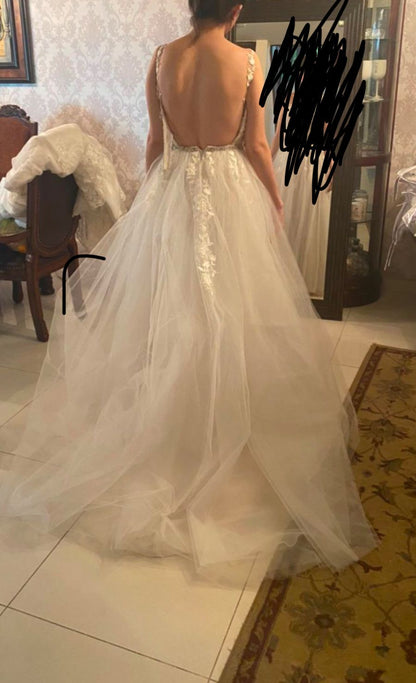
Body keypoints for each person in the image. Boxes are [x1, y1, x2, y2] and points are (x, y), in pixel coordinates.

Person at [0, 0, 380, 585]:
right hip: (228, 190)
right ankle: (221, 424)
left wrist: (150, 201)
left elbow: (156, 143)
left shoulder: (161, 59)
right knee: (230, 307)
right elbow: (256, 147)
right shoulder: (246, 62)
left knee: (171, 306)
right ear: (236, 8)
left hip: (174, 190)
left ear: (190, 4)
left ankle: (175, 423)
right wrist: (274, 201)